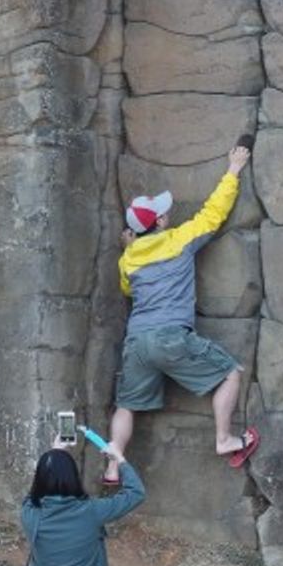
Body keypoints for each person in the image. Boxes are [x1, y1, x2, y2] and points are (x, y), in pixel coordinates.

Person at [103, 144, 259, 486]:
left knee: (126, 404)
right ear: (159, 221)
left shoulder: (128, 259)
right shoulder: (180, 239)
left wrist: (130, 249)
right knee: (230, 374)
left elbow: (128, 289)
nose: (167, 214)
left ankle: (113, 466)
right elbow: (213, 214)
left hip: (137, 342)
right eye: (163, 212)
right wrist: (233, 170)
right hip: (170, 336)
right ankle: (225, 440)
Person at [21, 436, 144, 566]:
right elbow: (136, 493)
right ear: (74, 477)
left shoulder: (29, 516)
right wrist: (119, 458)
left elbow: (33, 493)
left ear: (40, 479)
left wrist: (54, 454)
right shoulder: (92, 511)